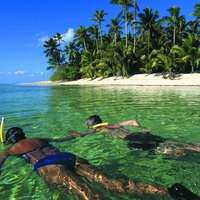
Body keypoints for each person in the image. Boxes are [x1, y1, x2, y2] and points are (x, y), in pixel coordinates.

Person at [0, 127, 199, 200]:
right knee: (113, 183)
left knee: (90, 196)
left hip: (48, 165)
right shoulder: (40, 138)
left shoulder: (10, 149)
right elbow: (65, 140)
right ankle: (170, 192)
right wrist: (77, 135)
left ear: (10, 140)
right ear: (23, 135)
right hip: (70, 156)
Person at [69, 115, 200, 156]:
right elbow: (133, 121)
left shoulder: (98, 129)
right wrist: (143, 128)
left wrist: (73, 133)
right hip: (136, 133)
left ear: (93, 125)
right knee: (168, 141)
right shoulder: (114, 124)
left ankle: (186, 152)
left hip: (131, 139)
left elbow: (81, 135)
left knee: (162, 148)